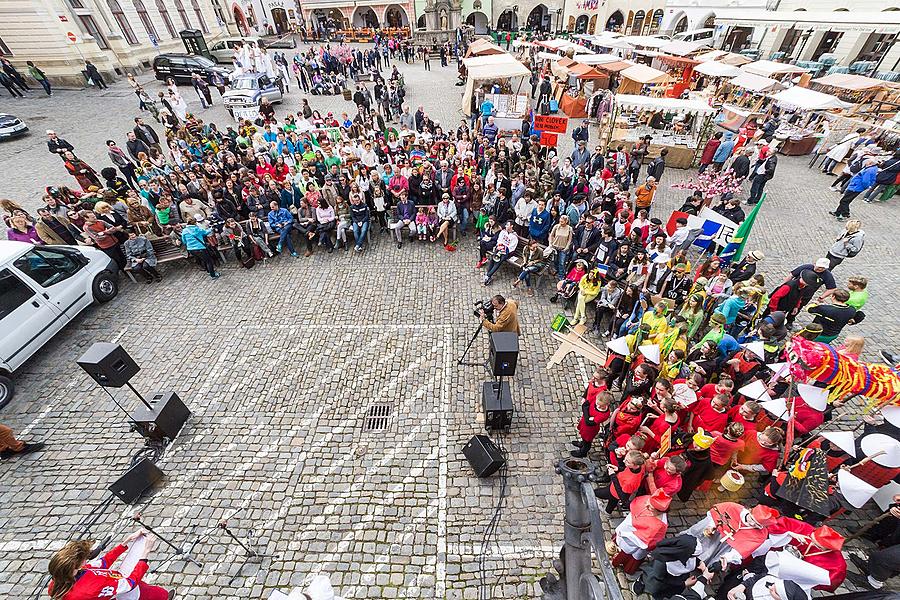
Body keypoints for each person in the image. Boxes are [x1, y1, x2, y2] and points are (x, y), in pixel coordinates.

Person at [47, 531, 172, 599]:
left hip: (115, 585)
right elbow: (130, 583)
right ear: (74, 568)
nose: (87, 560)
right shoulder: (90, 588)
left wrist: (126, 541)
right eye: (84, 559)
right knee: (156, 595)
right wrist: (145, 553)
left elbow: (103, 562)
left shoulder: (60, 580)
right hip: (126, 592)